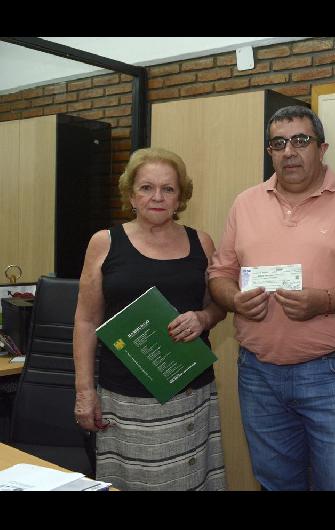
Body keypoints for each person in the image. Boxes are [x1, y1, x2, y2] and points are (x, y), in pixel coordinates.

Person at [207, 105, 335, 491]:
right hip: (258, 372)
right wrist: (234, 300)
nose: (289, 151)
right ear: (270, 151)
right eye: (278, 143)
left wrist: (324, 301)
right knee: (275, 483)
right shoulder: (245, 204)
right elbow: (220, 275)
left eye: (301, 140)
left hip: (332, 374)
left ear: (322, 148)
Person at [73, 147, 227, 490]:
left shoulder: (201, 241)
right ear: (131, 193)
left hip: (190, 393)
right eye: (146, 187)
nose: (157, 197)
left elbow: (218, 305)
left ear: (180, 197)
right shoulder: (103, 243)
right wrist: (85, 392)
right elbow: (86, 321)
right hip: (126, 400)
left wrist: (203, 318)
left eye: (168, 189)